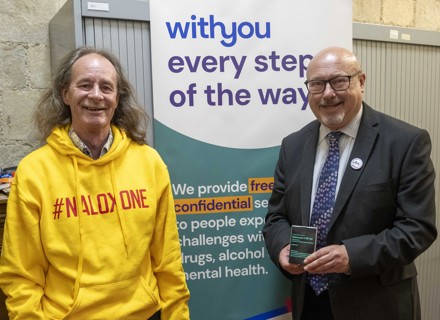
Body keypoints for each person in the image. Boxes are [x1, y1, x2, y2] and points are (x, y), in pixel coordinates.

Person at [0, 47, 190, 320]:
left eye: (106, 87)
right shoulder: (34, 172)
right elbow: (21, 275)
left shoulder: (150, 163)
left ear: (117, 98)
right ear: (66, 93)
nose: (96, 95)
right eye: (85, 85)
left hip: (144, 313)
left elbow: (168, 260)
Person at [263, 46, 437, 320]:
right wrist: (283, 248)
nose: (328, 93)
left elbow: (417, 229)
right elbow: (276, 217)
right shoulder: (293, 146)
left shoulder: (405, 142)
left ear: (362, 81)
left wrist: (351, 256)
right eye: (317, 84)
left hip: (377, 305)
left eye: (339, 81)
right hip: (310, 302)